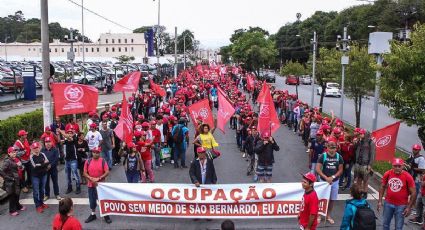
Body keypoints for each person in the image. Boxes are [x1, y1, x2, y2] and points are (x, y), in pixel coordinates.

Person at [378, 158, 416, 230]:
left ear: (402, 166)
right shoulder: (387, 174)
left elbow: (413, 192)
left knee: (398, 227)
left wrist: (409, 207)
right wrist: (380, 201)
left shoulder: (408, 176)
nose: (397, 168)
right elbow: (382, 186)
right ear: (392, 166)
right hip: (388, 204)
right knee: (385, 225)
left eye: (399, 166)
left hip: (401, 206)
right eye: (395, 166)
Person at [315, 141, 343, 224]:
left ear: (336, 148)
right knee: (321, 199)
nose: (332, 150)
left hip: (334, 182)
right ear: (327, 148)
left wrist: (333, 177)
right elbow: (318, 169)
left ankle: (328, 215)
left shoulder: (339, 157)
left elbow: (340, 169)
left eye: (334, 148)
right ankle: (319, 215)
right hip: (323, 182)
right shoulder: (323, 156)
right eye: (330, 148)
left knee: (332, 199)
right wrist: (326, 178)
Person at [83, 146, 111, 224]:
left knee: (102, 200)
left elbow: (107, 172)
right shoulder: (88, 161)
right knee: (92, 201)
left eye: (97, 152)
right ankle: (93, 214)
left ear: (99, 153)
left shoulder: (103, 161)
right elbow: (84, 173)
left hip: (101, 186)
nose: (95, 154)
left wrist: (99, 178)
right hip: (90, 185)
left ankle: (106, 215)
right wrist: (91, 178)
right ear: (92, 153)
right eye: (94, 152)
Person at [0, 147, 26, 216]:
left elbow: (20, 166)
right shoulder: (7, 161)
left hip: (18, 179)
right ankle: (12, 210)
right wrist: (8, 178)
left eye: (15, 152)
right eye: (12, 152)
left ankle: (18, 206)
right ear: (9, 153)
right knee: (12, 196)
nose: (14, 153)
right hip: (11, 182)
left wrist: (22, 167)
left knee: (17, 194)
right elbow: (1, 171)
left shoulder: (17, 158)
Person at [353, 129, 375, 197]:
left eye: (361, 134)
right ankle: (359, 191)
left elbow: (372, 154)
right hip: (358, 163)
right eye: (360, 134)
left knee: (365, 179)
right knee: (358, 178)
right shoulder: (359, 141)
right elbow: (354, 148)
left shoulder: (371, 142)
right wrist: (356, 142)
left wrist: (370, 164)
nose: (360, 135)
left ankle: (365, 192)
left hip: (366, 164)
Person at [29, 141, 50, 213]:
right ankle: (37, 206)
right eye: (34, 148)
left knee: (42, 190)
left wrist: (40, 165)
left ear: (39, 147)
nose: (36, 149)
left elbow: (47, 162)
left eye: (37, 147)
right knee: (36, 191)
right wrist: (43, 164)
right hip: (35, 176)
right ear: (32, 149)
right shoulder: (31, 156)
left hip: (43, 175)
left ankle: (41, 203)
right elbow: (34, 167)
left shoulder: (42, 154)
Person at [408, 144, 425, 225]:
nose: (414, 150)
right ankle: (413, 209)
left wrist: (413, 168)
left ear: (419, 150)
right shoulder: (412, 156)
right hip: (412, 177)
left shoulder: (421, 159)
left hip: (417, 179)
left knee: (415, 194)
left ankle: (415, 210)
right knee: (413, 194)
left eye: (416, 149)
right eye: (413, 149)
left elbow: (423, 169)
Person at [61, 128, 81, 195]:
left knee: (75, 174)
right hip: (67, 160)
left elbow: (68, 137)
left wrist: (60, 131)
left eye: (71, 133)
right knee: (67, 175)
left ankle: (78, 187)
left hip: (73, 160)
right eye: (68, 132)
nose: (69, 134)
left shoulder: (74, 140)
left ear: (72, 134)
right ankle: (69, 187)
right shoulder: (66, 141)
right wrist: (58, 134)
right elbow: (59, 141)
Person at [42, 137, 61, 201]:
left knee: (55, 182)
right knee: (46, 182)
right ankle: (47, 195)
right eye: (46, 142)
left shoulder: (55, 149)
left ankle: (57, 194)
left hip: (53, 169)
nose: (48, 143)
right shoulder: (42, 150)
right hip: (45, 169)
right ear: (44, 143)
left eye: (49, 142)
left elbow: (56, 159)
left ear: (51, 142)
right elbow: (41, 159)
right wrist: (45, 166)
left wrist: (50, 165)